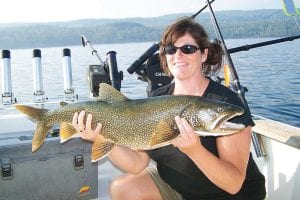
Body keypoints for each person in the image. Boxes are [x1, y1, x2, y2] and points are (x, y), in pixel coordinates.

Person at [72, 17, 266, 200]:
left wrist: (194, 150)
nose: (178, 55)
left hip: (231, 196)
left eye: (188, 49)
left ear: (204, 54)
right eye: (171, 49)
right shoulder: (158, 98)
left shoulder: (226, 103)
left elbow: (233, 184)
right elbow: (136, 164)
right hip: (181, 188)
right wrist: (101, 137)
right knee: (122, 188)